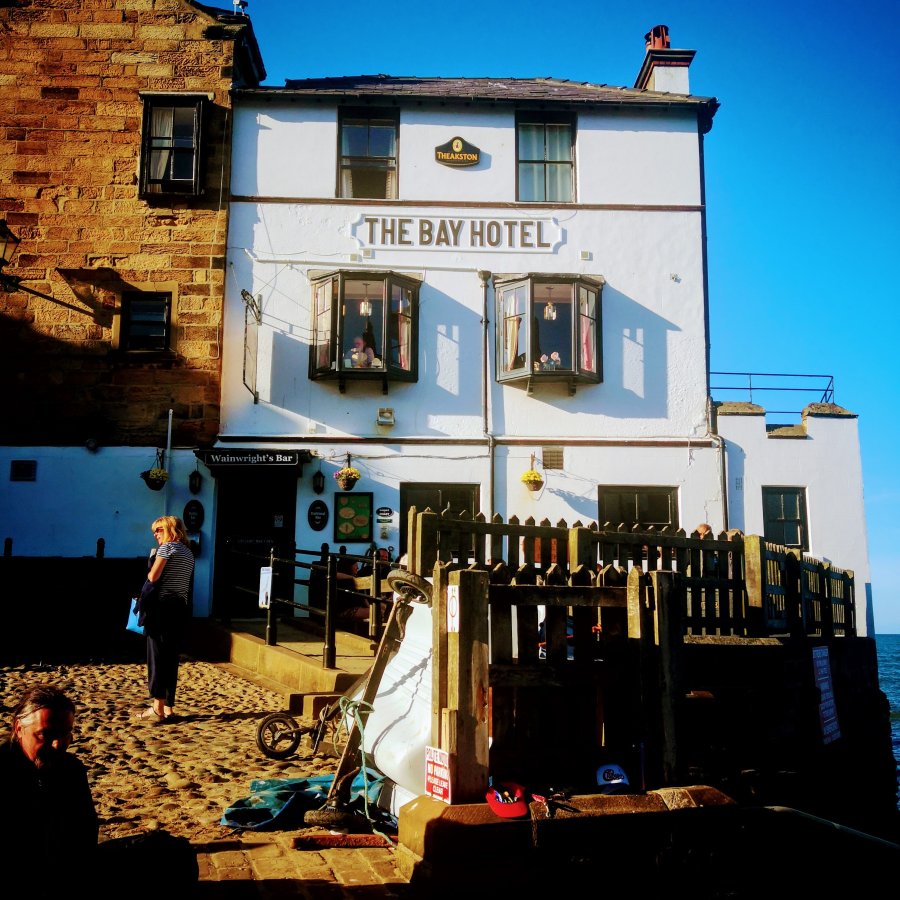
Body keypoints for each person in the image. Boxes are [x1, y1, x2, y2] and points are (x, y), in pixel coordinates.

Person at [0, 684, 98, 893]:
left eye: (66, 734)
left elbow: (86, 835)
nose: (57, 744)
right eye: (45, 734)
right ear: (19, 729)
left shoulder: (71, 769)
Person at [138, 515, 195, 723]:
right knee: (171, 658)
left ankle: (157, 708)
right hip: (180, 608)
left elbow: (153, 577)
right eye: (154, 531)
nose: (155, 534)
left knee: (157, 656)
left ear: (171, 529)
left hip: (162, 608)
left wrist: (152, 563)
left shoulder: (167, 549)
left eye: (159, 530)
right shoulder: (188, 553)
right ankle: (169, 707)